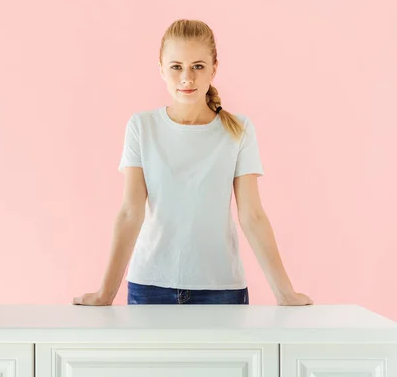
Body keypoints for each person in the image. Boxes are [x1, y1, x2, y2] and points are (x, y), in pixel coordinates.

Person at [72, 19, 313, 307]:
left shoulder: (239, 130)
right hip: (150, 286)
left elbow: (252, 216)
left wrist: (285, 294)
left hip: (221, 288)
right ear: (161, 68)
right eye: (176, 67)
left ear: (214, 68)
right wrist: (105, 294)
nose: (187, 78)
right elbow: (129, 213)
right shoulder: (142, 126)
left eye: (198, 66)